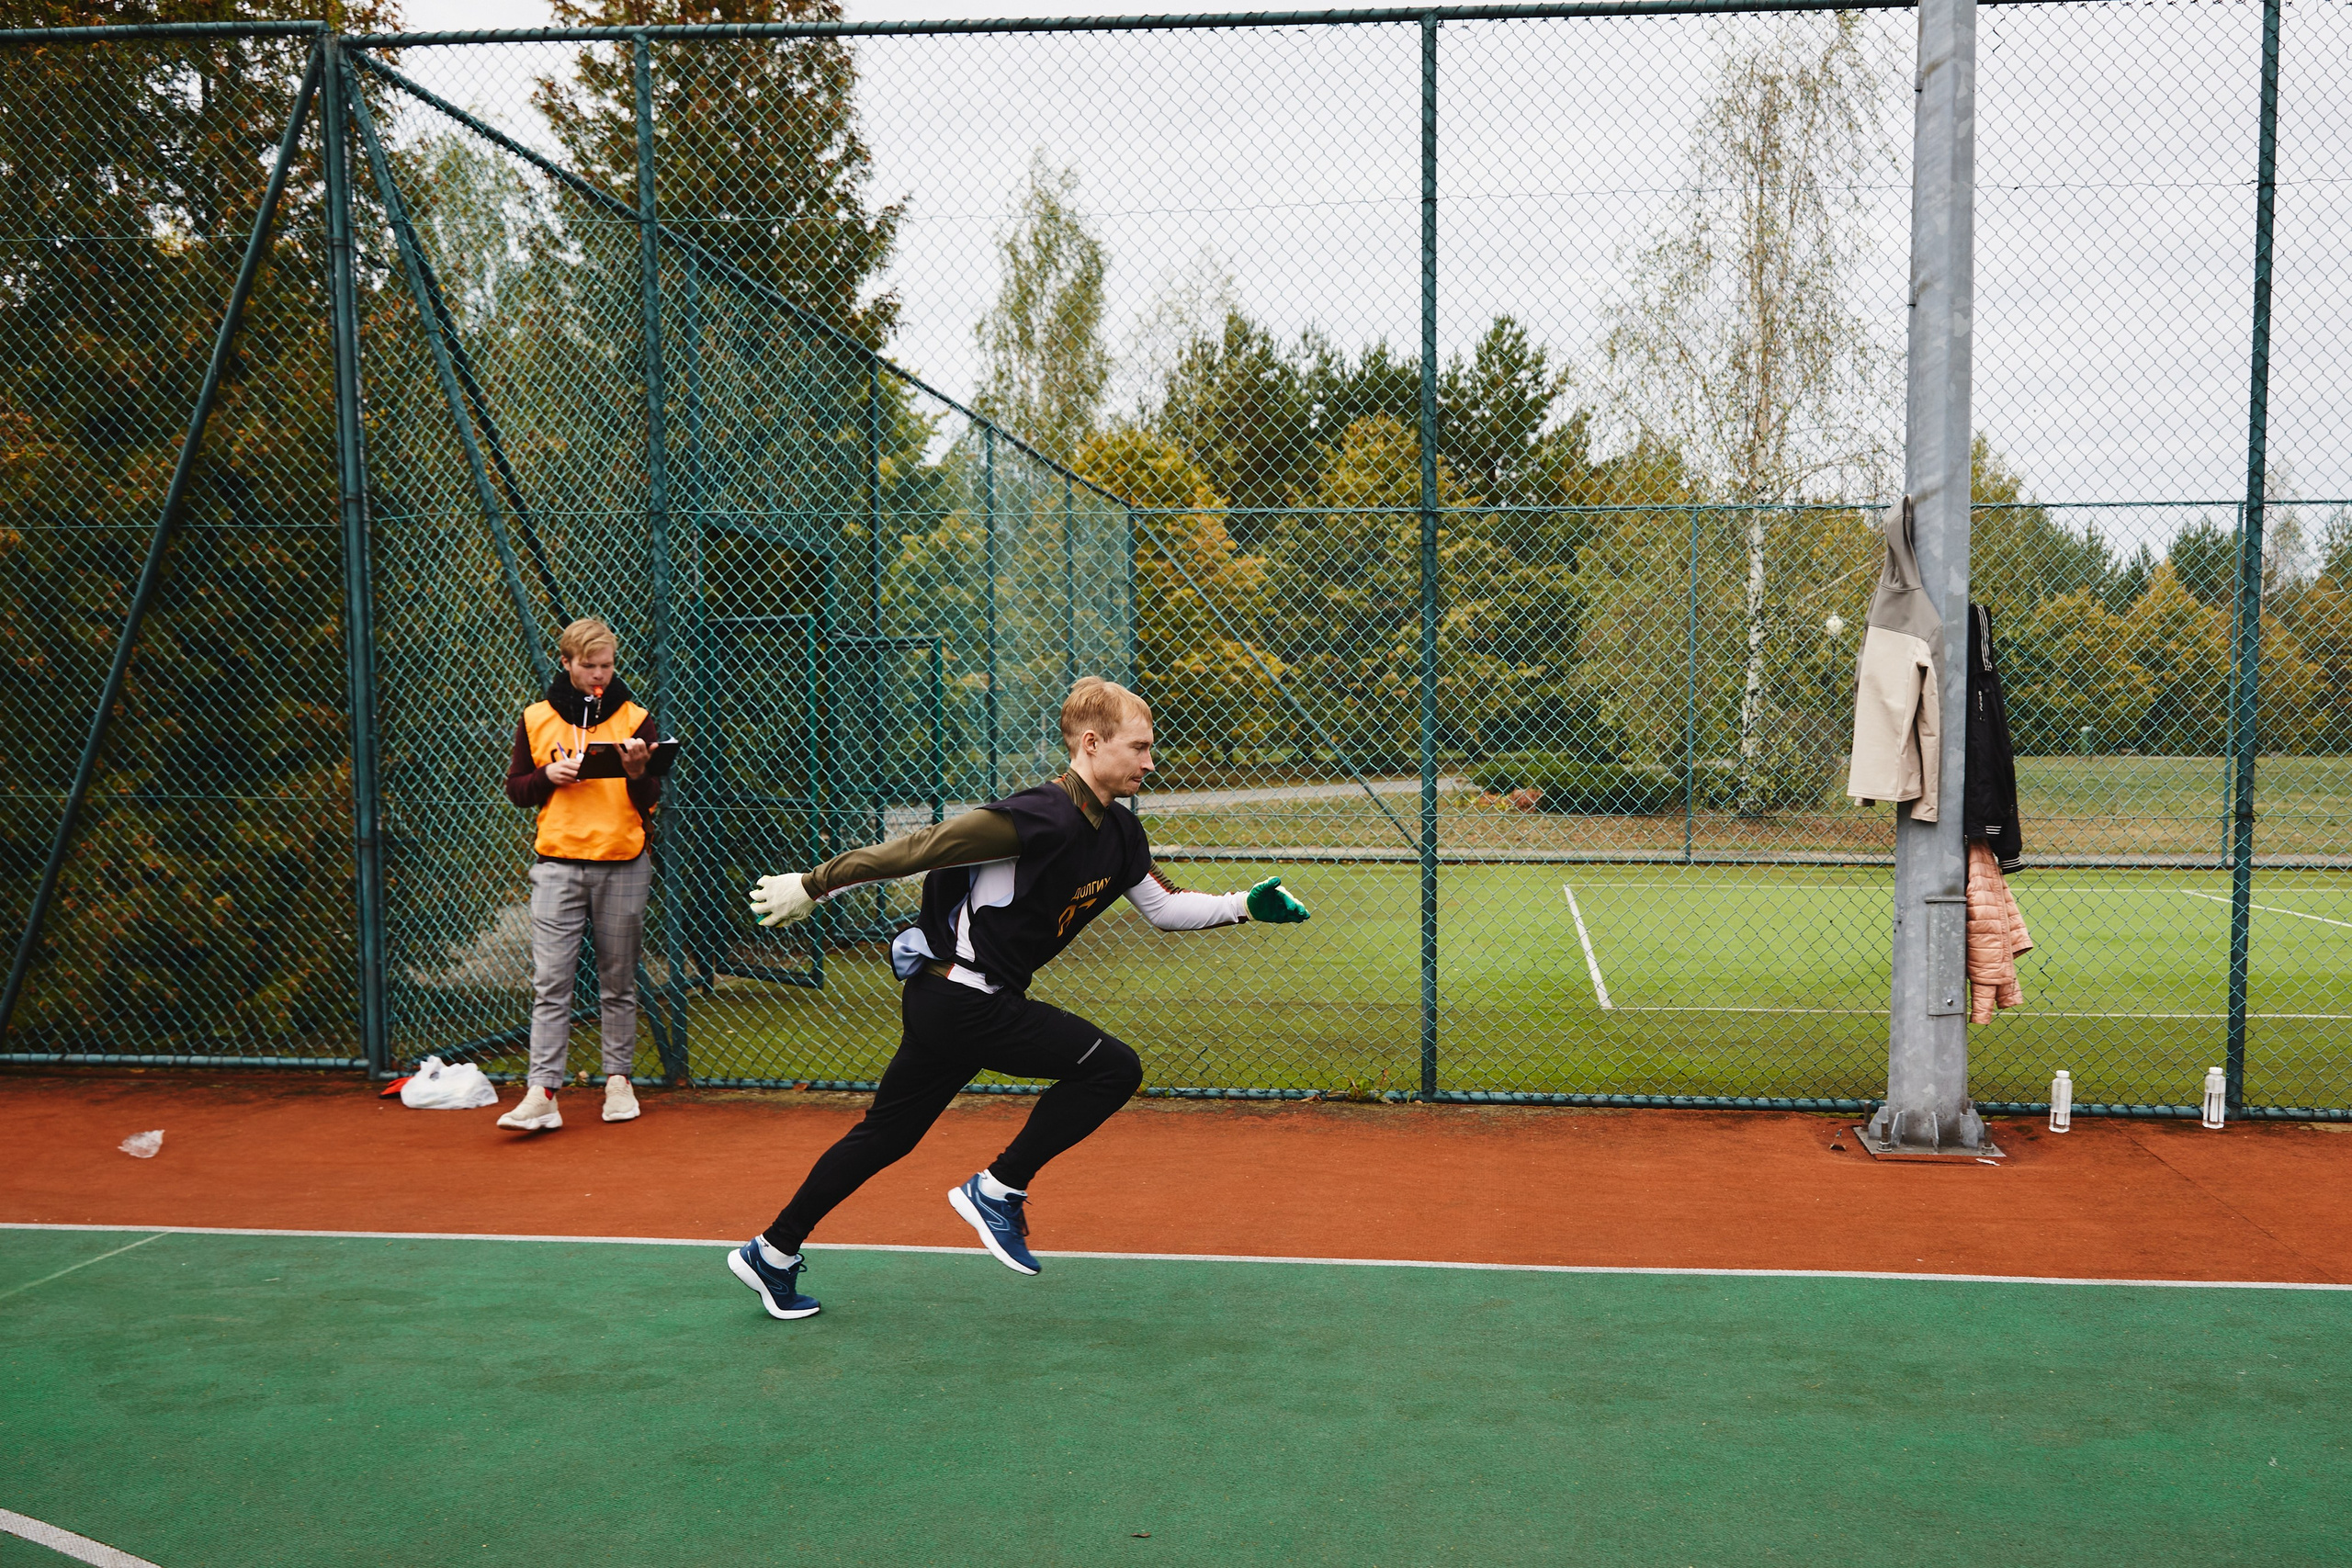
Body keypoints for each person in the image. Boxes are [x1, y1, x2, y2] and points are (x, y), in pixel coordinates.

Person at [725, 676, 1311, 1320]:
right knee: (1112, 1067)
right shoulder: (1035, 814)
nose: (1150, 761)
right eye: (1138, 747)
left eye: (1151, 748)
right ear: (1092, 743)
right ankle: (997, 1189)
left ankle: (771, 1251)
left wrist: (1244, 906)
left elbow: (1166, 907)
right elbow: (918, 849)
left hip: (952, 1003)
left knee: (886, 1135)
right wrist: (814, 883)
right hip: (964, 999)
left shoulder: (1120, 834)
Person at [498, 617, 663, 1132]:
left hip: (623, 862)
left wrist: (639, 773)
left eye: (607, 666)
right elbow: (517, 789)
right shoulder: (535, 719)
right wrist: (547, 775)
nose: (599, 675)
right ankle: (542, 1092)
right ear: (566, 662)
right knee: (552, 983)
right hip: (557, 866)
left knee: (617, 981)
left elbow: (651, 798)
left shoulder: (637, 719)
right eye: (588, 665)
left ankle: (619, 1082)